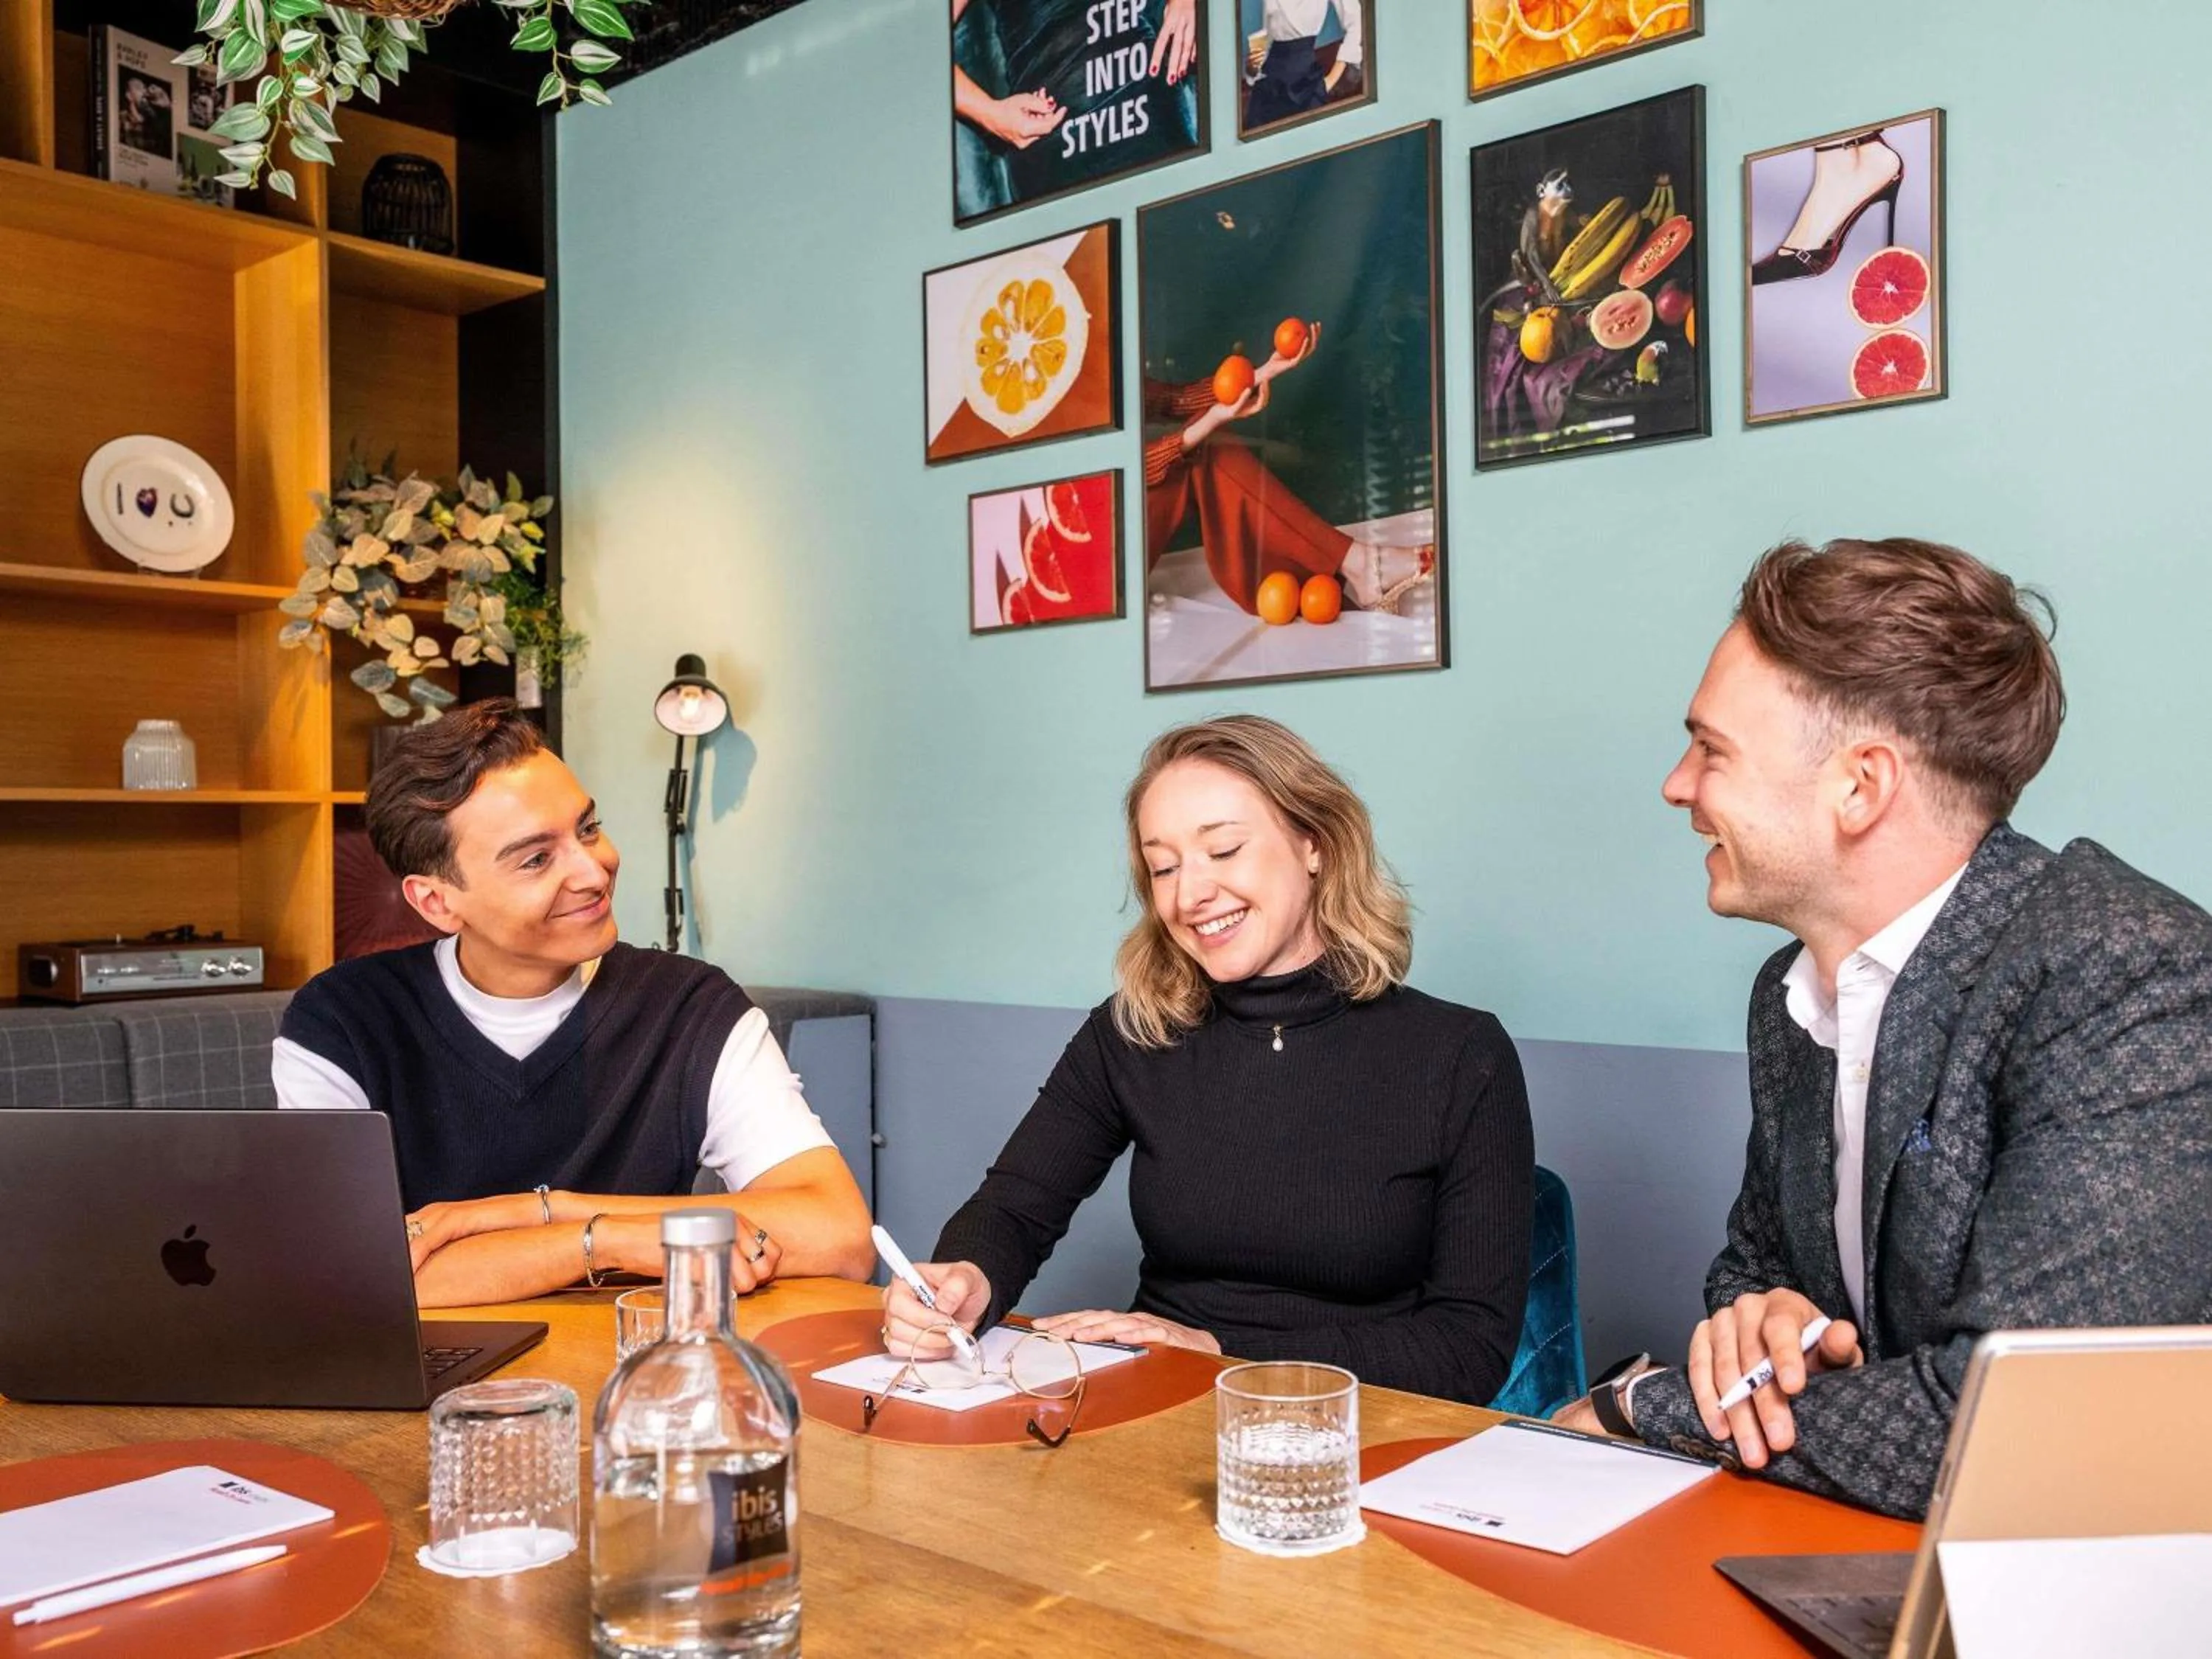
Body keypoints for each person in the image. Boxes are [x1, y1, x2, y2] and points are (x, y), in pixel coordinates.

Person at [1556, 538, 2212, 1519]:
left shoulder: (2125, 966)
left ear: (1861, 785)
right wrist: (1768, 1320)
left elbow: (2018, 1426)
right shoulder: (1792, 988)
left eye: (1712, 749)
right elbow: (1754, 1265)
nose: (1677, 785)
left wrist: (1641, 1407)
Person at [883, 716, 1533, 1406]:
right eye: (1164, 867)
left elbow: (1468, 1350)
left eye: (1222, 851)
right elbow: (1013, 1210)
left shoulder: (1462, 1055)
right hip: (1165, 1412)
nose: (1190, 895)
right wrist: (965, 1279)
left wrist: (1221, 1354)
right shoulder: (1132, 1033)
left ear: (1313, 843)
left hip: (1360, 1428)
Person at [273, 700, 873, 1307]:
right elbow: (341, 1272)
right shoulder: (342, 1022)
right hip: (429, 1390)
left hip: (632, 1372)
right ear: (436, 902)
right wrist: (607, 1242)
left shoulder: (691, 1007)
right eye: (536, 859)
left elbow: (838, 1235)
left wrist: (542, 1212)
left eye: (588, 828)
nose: (594, 871)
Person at [1145, 325, 1434, 617]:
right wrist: (1206, 425)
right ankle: (1364, 568)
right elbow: (1117, 473)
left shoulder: (1101, 349)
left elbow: (1171, 401)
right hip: (1102, 559)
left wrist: (1262, 373)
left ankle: (1358, 568)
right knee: (1204, 442)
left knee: (1209, 443)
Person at [1242, 0, 1365, 131]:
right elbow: (1267, 37)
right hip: (1269, 86)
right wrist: (1253, 68)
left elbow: (1357, 23)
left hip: (1306, 84)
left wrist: (1330, 80)